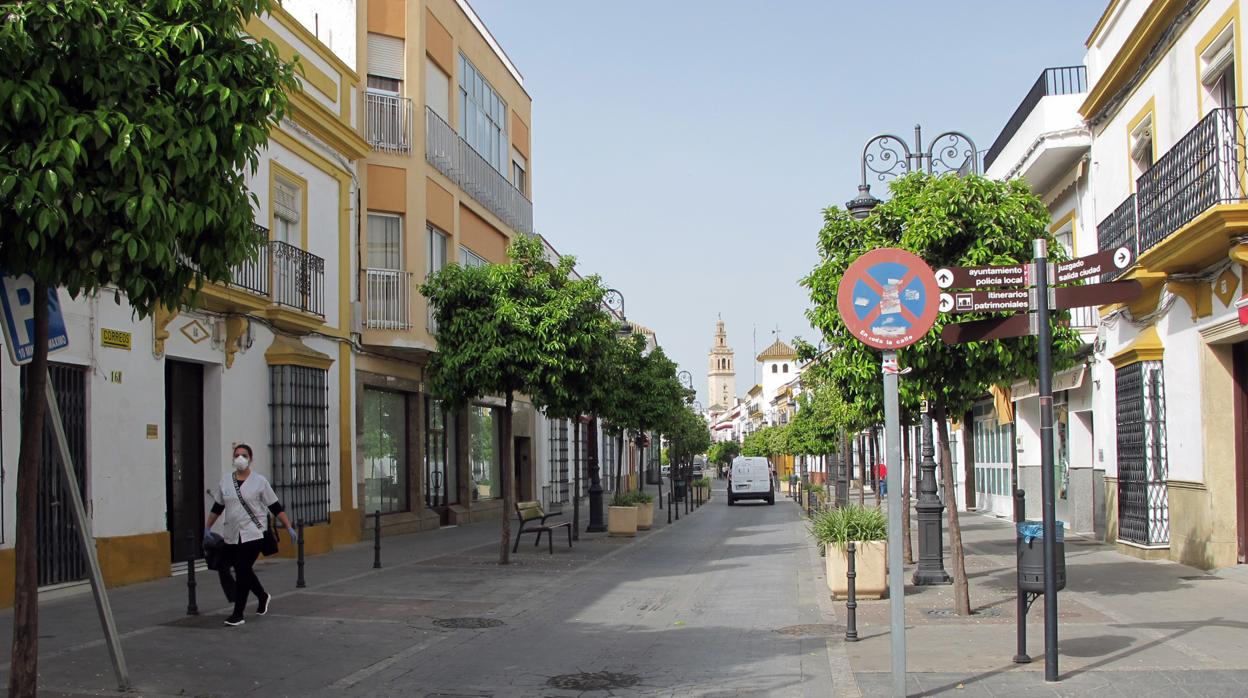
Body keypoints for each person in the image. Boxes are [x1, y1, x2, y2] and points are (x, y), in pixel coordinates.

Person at [205, 444, 297, 627]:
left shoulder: (259, 482)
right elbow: (218, 506)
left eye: (244, 455)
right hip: (232, 533)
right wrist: (207, 527)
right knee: (242, 568)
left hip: (254, 533)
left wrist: (288, 526)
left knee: (242, 569)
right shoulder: (225, 481)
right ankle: (262, 596)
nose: (240, 458)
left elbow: (274, 506)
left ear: (250, 458)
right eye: (237, 455)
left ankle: (238, 614)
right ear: (233, 458)